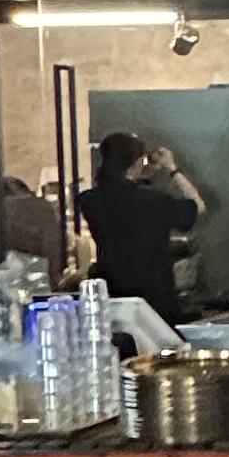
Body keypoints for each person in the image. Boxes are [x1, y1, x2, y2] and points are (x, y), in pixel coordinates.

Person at [77, 132, 204, 319]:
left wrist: (141, 172)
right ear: (137, 163)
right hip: (156, 297)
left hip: (113, 295)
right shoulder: (155, 201)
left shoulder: (88, 200)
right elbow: (198, 205)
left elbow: (120, 198)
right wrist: (172, 168)